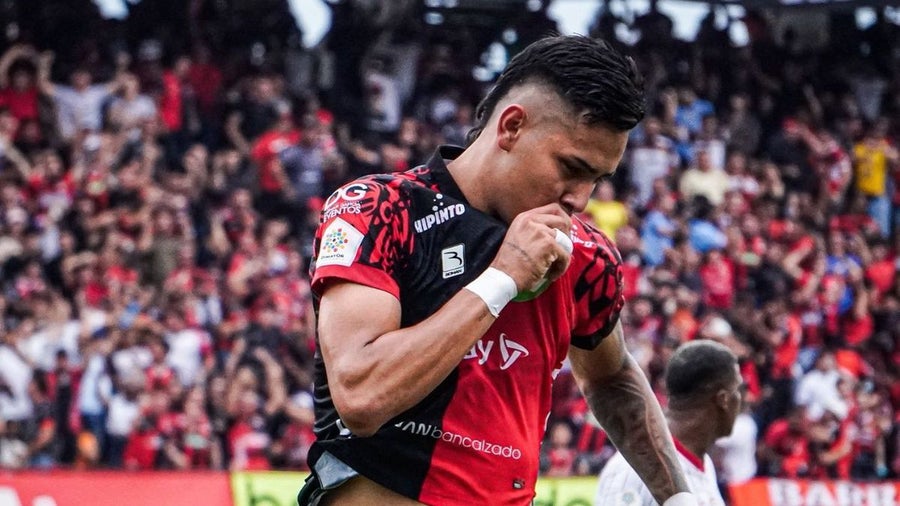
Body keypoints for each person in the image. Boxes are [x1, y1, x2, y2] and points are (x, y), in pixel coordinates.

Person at [299, 36, 696, 506]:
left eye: (597, 179)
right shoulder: (379, 207)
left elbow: (612, 378)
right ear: (511, 127)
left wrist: (681, 499)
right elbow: (362, 397)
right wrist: (502, 279)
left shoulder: (587, 255)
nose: (580, 199)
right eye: (571, 167)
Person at [595, 340, 743, 506]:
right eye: (738, 390)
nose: (742, 399)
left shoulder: (704, 463)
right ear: (723, 399)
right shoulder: (635, 469)